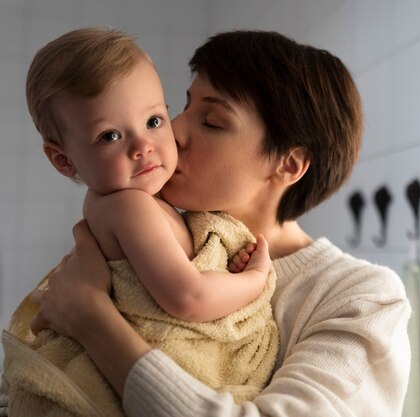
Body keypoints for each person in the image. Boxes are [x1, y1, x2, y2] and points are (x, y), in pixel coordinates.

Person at [2, 30, 412, 416]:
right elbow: (37, 377)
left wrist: (93, 322)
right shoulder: (152, 234)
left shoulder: (361, 298)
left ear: (288, 164)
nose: (173, 132)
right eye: (181, 107)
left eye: (212, 121)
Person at [0, 27, 278, 416]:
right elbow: (188, 297)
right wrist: (252, 279)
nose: (142, 146)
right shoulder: (130, 207)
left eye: (154, 121)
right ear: (64, 160)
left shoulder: (138, 200)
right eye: (110, 135)